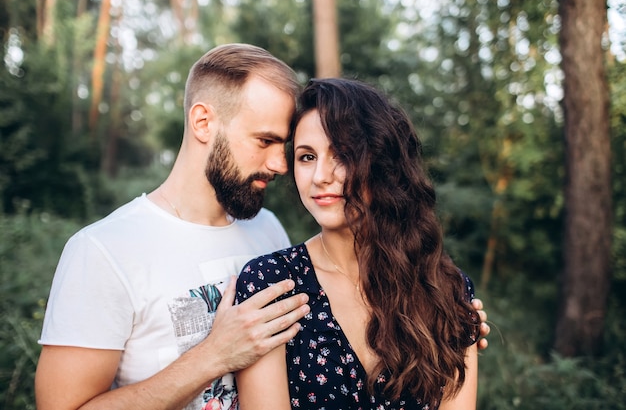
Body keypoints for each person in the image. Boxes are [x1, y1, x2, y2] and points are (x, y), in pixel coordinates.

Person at [35, 44, 489, 410]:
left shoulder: (266, 230)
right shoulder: (103, 250)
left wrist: (443, 311)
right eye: (266, 141)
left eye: (288, 147)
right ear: (203, 121)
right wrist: (214, 356)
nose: (282, 165)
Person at [235, 78, 480, 410]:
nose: (320, 175)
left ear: (382, 161)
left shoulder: (444, 288)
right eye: (307, 157)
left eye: (342, 154)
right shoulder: (271, 284)